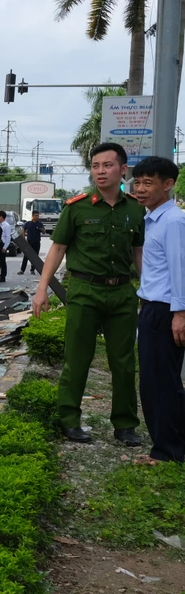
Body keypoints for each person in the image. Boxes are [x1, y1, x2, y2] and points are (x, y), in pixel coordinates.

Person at [32, 142, 144, 445]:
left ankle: (125, 425)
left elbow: (138, 252)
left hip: (122, 293)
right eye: (95, 166)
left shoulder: (134, 208)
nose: (100, 171)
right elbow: (57, 249)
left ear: (123, 170)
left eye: (107, 165)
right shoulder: (77, 207)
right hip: (84, 291)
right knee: (78, 358)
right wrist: (42, 289)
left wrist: (146, 290)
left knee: (123, 361)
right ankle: (69, 420)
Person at [132, 157, 185, 463]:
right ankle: (174, 445)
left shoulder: (173, 221)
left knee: (157, 383)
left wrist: (179, 314)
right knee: (165, 380)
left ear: (168, 185)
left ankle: (165, 451)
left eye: (148, 183)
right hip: (156, 308)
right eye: (137, 182)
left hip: (164, 311)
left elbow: (180, 269)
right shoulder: (155, 218)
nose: (140, 189)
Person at [18, 211, 46, 275]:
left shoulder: (40, 224)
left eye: (38, 215)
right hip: (29, 242)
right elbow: (23, 230)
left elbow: (44, 232)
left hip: (37, 242)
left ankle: (32, 270)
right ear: (32, 216)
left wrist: (42, 229)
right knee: (26, 256)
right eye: (36, 215)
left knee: (35, 257)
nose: (37, 217)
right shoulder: (28, 223)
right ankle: (22, 270)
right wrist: (23, 238)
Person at [0, 210, 11, 281]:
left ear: (1, 217)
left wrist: (5, 247)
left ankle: (3, 276)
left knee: (2, 262)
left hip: (3, 244)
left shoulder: (6, 225)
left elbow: (8, 237)